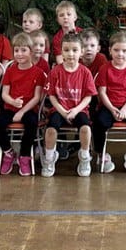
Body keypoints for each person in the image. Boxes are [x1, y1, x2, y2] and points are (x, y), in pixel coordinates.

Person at [92, 31, 126, 173]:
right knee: (99, 122)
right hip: (108, 106)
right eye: (116, 50)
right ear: (110, 50)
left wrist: (124, 109)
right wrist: (112, 109)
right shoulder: (104, 68)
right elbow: (102, 92)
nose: (120, 54)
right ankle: (102, 154)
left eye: (124, 51)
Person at [42, 33, 96, 177]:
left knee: (85, 128)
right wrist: (62, 111)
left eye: (74, 50)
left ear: (81, 52)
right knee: (50, 130)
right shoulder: (55, 72)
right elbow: (51, 95)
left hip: (79, 109)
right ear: (61, 52)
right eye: (66, 50)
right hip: (59, 109)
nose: (70, 54)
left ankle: (84, 157)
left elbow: (88, 97)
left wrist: (75, 110)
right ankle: (49, 158)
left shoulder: (85, 72)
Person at [0, 32, 46, 176]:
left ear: (31, 51)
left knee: (31, 123)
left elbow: (37, 97)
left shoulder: (38, 73)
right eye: (16, 50)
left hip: (29, 109)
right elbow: (4, 94)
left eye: (23, 50)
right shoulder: (10, 71)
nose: (19, 54)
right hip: (10, 108)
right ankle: (8, 152)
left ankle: (24, 156)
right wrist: (13, 101)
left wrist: (22, 111)